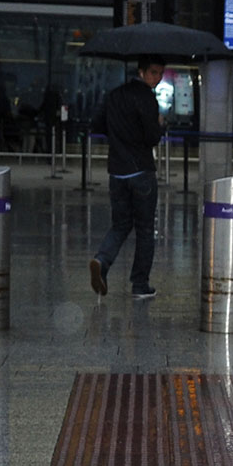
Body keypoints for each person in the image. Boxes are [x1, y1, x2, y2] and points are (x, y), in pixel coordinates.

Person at [89, 55, 164, 300]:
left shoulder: (114, 95)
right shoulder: (147, 98)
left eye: (160, 73)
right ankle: (140, 284)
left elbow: (97, 124)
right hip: (141, 170)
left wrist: (118, 134)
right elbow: (152, 137)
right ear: (141, 72)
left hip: (117, 171)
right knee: (144, 229)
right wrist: (160, 124)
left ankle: (102, 261)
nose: (158, 77)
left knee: (120, 224)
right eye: (154, 72)